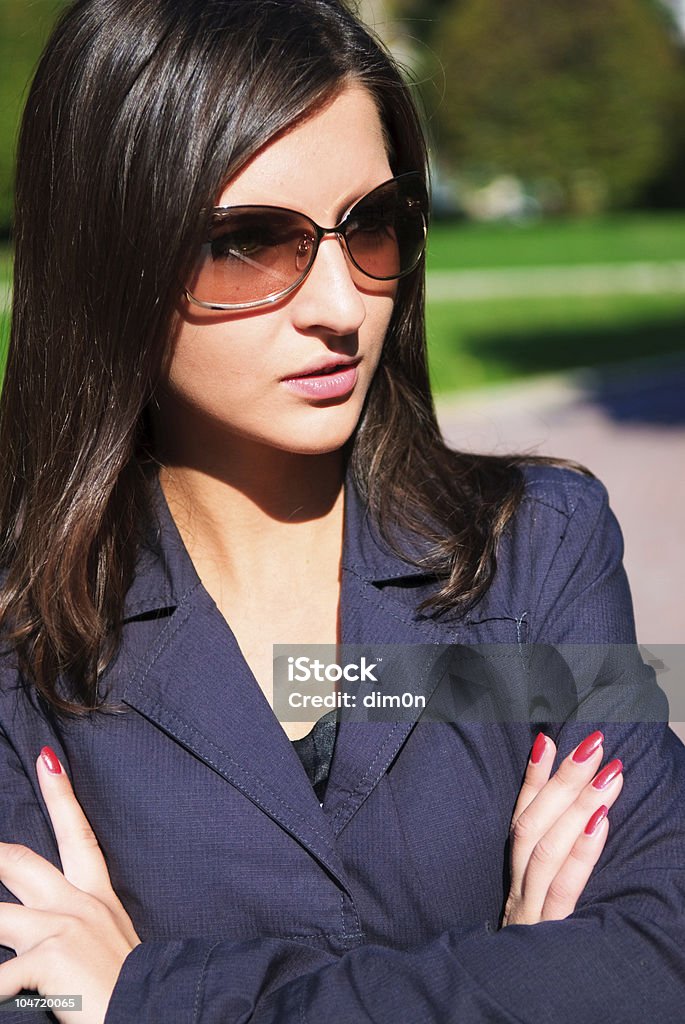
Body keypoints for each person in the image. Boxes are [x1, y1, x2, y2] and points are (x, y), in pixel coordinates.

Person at [0, 1, 683, 1022]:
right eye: (249, 243)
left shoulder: (536, 547)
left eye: (370, 226)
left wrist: (154, 994)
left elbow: (654, 961)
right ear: (111, 254)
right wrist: (512, 974)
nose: (338, 305)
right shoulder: (23, 633)